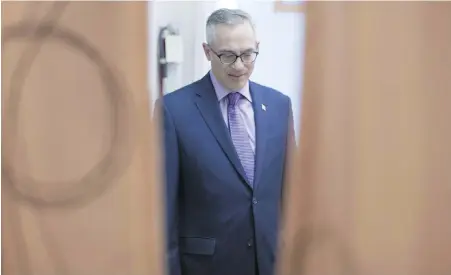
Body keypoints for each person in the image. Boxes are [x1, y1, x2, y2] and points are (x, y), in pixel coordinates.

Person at [160, 8, 295, 275]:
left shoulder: (280, 106)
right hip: (205, 266)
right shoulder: (173, 111)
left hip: (270, 263)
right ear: (208, 52)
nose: (239, 65)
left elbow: (291, 191)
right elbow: (164, 211)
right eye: (227, 56)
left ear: (257, 47)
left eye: (247, 54)